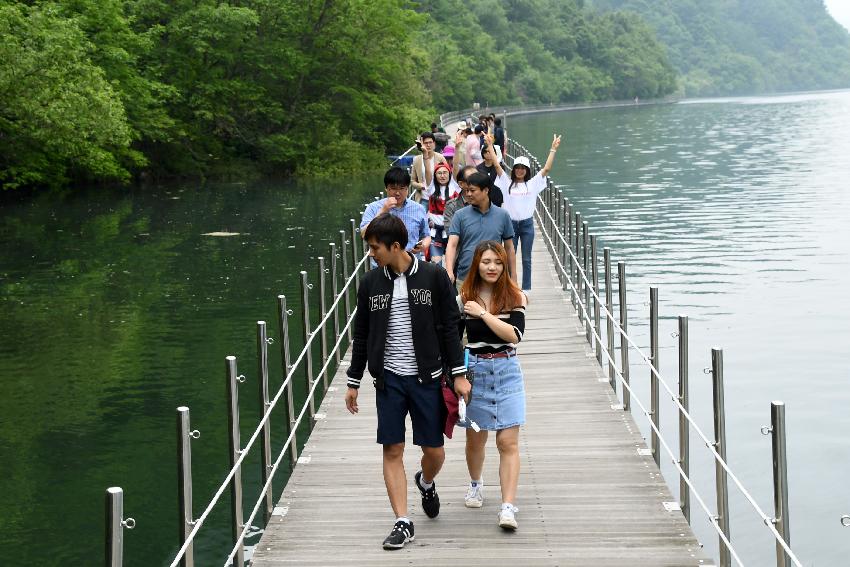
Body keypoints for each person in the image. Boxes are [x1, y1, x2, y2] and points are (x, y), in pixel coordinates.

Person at [345, 213, 471, 550]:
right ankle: (403, 521)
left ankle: (426, 482)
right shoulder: (371, 283)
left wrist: (458, 374)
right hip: (388, 381)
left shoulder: (432, 276)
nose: (371, 254)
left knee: (434, 451)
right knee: (393, 449)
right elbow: (362, 333)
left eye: (375, 248)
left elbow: (449, 326)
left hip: (427, 378)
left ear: (396, 246)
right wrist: (354, 380)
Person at [457, 240, 528, 530]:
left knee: (507, 441)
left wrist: (483, 314)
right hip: (476, 372)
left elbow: (514, 335)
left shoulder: (515, 296)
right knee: (476, 436)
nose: (492, 267)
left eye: (498, 262)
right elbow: (454, 338)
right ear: (477, 263)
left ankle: (508, 507)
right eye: (486, 261)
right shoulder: (464, 298)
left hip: (508, 371)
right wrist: (456, 375)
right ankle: (475, 484)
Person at [496, 134, 561, 293]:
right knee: (508, 257)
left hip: (526, 225)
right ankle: (509, 287)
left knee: (526, 258)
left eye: (523, 168)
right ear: (514, 169)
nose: (519, 171)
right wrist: (490, 145)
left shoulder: (532, 184)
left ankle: (526, 288)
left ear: (527, 171)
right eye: (517, 167)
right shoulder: (507, 183)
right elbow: (497, 167)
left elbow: (546, 169)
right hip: (510, 225)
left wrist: (553, 149)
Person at [444, 171, 516, 289]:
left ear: (486, 190)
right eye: (467, 190)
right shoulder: (459, 215)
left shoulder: (502, 215)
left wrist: (514, 277)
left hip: (495, 278)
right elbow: (452, 245)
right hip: (466, 278)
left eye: (472, 190)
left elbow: (509, 248)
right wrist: (449, 271)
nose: (468, 194)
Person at [361, 167, 430, 260]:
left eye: (402, 188)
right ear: (386, 188)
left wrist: (423, 246)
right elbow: (364, 234)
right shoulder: (373, 208)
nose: (397, 193)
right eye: (393, 188)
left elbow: (426, 236)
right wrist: (383, 211)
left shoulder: (418, 209)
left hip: (410, 262)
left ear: (407, 188)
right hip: (381, 264)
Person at [423, 162, 461, 265]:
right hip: (435, 232)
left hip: (452, 232)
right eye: (439, 173)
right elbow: (427, 173)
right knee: (436, 265)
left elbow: (456, 168)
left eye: (445, 172)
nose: (442, 175)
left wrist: (457, 148)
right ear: (435, 176)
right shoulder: (431, 188)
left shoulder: (455, 186)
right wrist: (426, 157)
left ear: (450, 174)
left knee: (453, 265)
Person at [411, 132, 447, 208]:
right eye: (425, 143)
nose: (428, 145)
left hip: (438, 197)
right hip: (423, 198)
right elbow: (412, 181)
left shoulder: (440, 158)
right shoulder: (416, 160)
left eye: (430, 142)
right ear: (422, 144)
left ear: (434, 143)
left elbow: (447, 176)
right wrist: (419, 185)